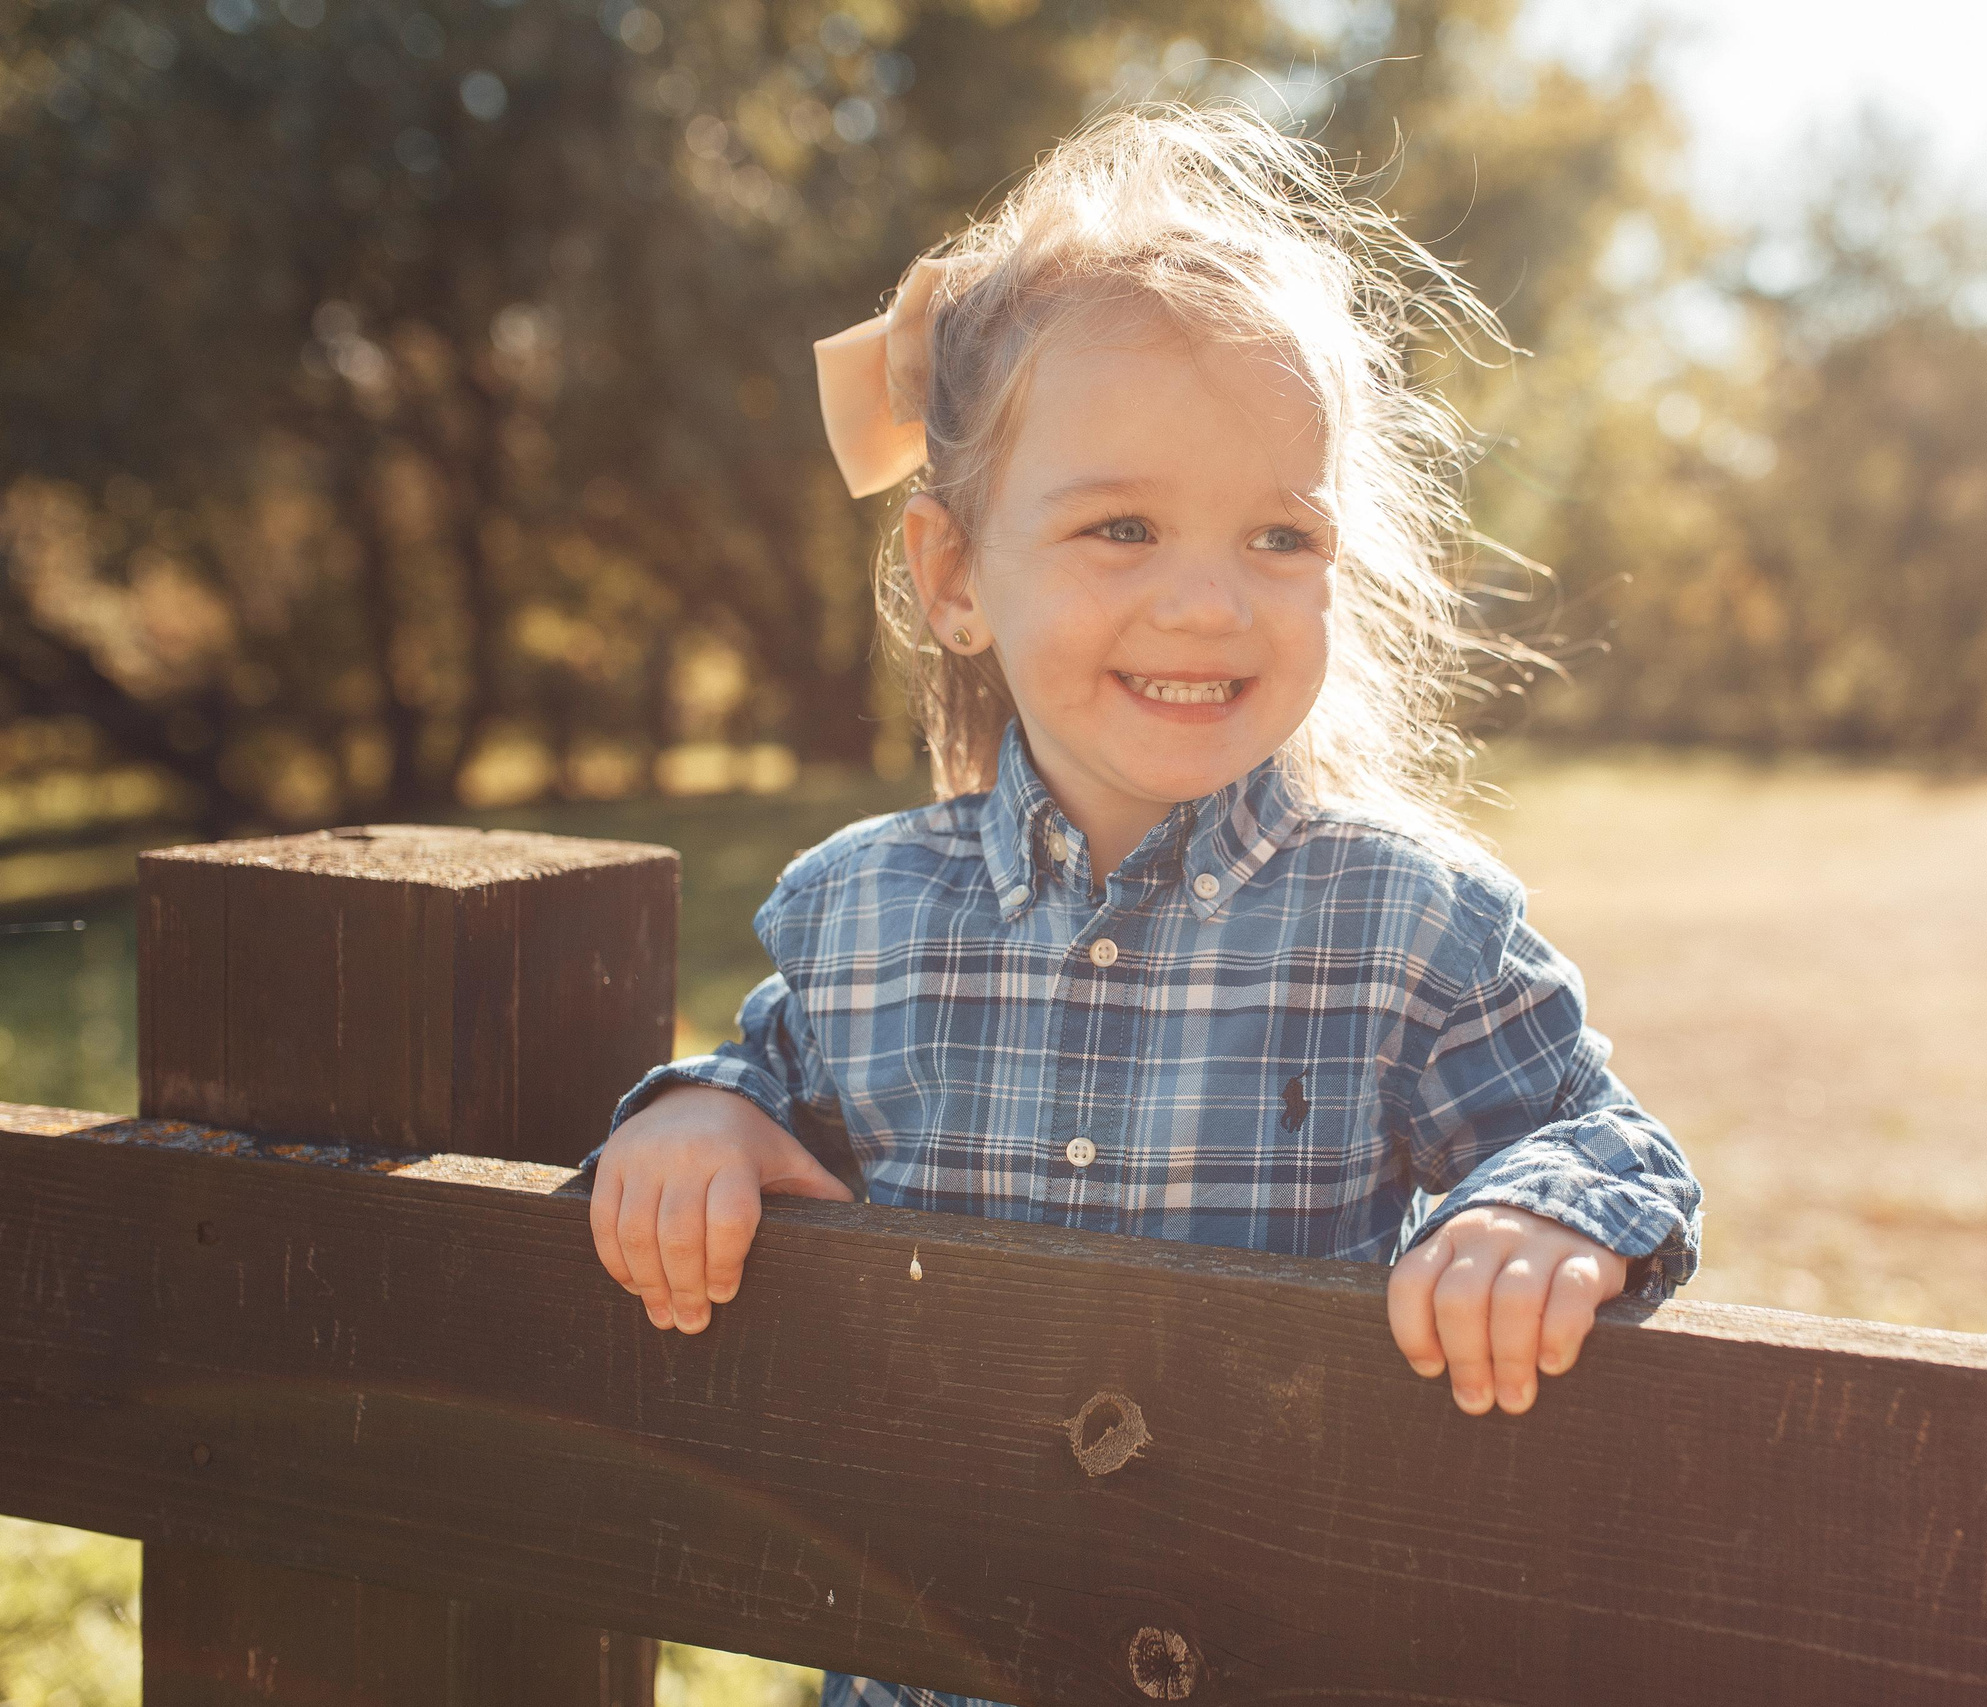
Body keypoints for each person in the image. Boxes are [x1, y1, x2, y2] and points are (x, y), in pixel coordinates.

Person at [582, 99, 1702, 1707]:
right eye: (1122, 526)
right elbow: (776, 1100)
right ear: (957, 575)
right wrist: (700, 1118)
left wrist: (1536, 1215)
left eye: (1279, 534)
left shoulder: (1406, 925)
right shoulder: (862, 915)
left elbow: (1604, 1144)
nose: (1206, 597)